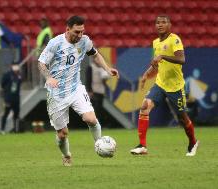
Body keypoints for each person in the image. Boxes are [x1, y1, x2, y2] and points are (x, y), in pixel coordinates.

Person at [38, 15, 119, 166]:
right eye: (77, 32)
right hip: (56, 94)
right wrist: (48, 77)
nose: (80, 35)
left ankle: (99, 145)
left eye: (82, 31)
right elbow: (41, 63)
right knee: (62, 134)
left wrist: (108, 69)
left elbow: (95, 54)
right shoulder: (55, 43)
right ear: (67, 29)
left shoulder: (85, 41)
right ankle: (67, 155)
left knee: (91, 119)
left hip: (76, 89)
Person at [130, 15, 199, 157]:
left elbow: (182, 59)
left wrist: (162, 56)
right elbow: (157, 65)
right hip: (160, 84)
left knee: (182, 119)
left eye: (163, 22)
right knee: (144, 107)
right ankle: (142, 145)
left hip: (175, 87)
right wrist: (145, 75)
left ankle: (193, 142)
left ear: (169, 25)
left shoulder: (175, 39)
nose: (160, 25)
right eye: (158, 22)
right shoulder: (155, 42)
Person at [0, 63, 22, 134]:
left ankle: (16, 129)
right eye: (14, 65)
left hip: (16, 98)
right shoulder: (7, 75)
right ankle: (2, 129)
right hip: (8, 98)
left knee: (16, 115)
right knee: (6, 113)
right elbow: (2, 84)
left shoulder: (19, 75)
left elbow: (20, 83)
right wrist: (6, 92)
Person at [86, 61, 110, 125]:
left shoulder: (102, 68)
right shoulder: (91, 67)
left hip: (101, 91)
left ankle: (99, 124)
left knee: (100, 108)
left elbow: (104, 81)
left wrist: (105, 78)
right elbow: (88, 79)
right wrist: (89, 90)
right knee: (94, 108)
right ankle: (93, 124)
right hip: (93, 91)